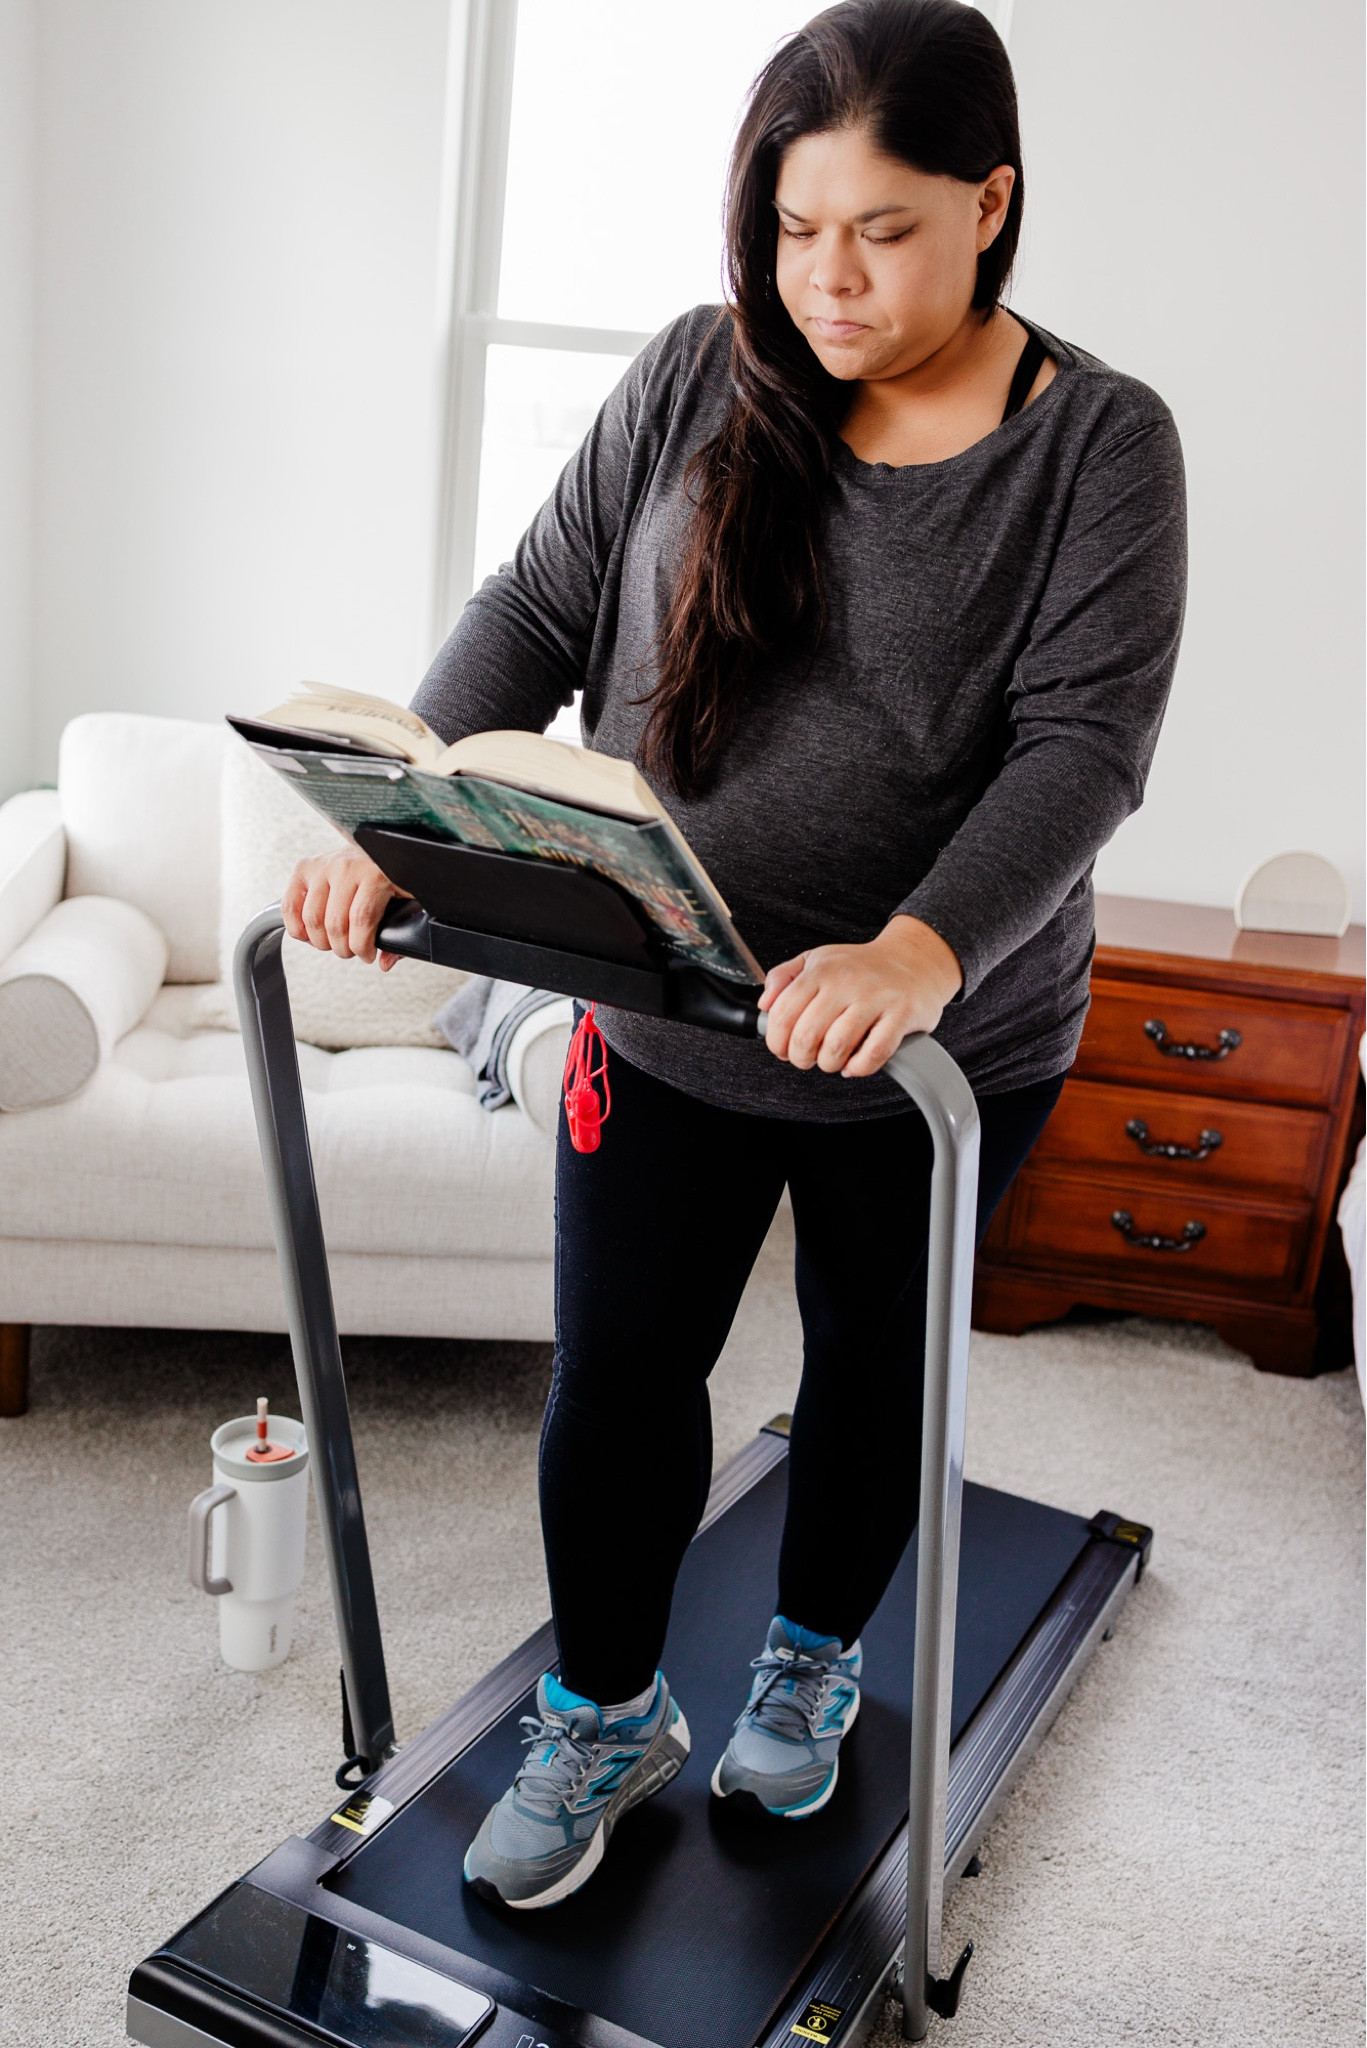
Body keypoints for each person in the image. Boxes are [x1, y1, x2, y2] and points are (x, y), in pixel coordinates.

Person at [283, 0, 1186, 1912]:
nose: (828, 278)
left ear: (992, 205)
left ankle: (811, 1657)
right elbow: (539, 605)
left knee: (870, 1372)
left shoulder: (1101, 446)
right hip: (663, 1005)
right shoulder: (702, 371)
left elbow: (1084, 749)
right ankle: (604, 1712)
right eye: (794, 227)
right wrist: (406, 808)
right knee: (618, 1375)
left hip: (932, 1046)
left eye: (883, 230)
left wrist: (917, 952)